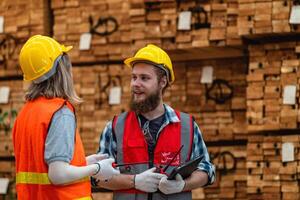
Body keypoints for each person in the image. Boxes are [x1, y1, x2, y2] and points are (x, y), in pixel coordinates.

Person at [94, 44, 215, 200]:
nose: (135, 84)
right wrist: (134, 181)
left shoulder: (188, 126)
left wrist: (182, 185)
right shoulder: (115, 127)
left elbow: (206, 171)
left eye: (144, 78)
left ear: (162, 81)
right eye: (134, 77)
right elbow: (98, 177)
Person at [12, 35, 120, 200]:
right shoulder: (59, 112)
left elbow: (43, 167)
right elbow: (58, 174)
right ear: (62, 69)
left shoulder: (25, 113)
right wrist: (97, 169)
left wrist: (84, 162)